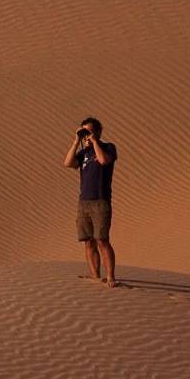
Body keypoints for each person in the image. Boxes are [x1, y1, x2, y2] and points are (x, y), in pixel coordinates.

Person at [61, 117, 118, 285]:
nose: (86, 135)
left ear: (98, 132)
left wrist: (94, 141)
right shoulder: (83, 152)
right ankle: (94, 275)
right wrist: (76, 140)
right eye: (84, 132)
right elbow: (68, 163)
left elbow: (103, 161)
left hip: (100, 201)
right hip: (84, 202)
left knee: (102, 240)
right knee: (88, 240)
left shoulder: (108, 148)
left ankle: (111, 277)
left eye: (89, 131)